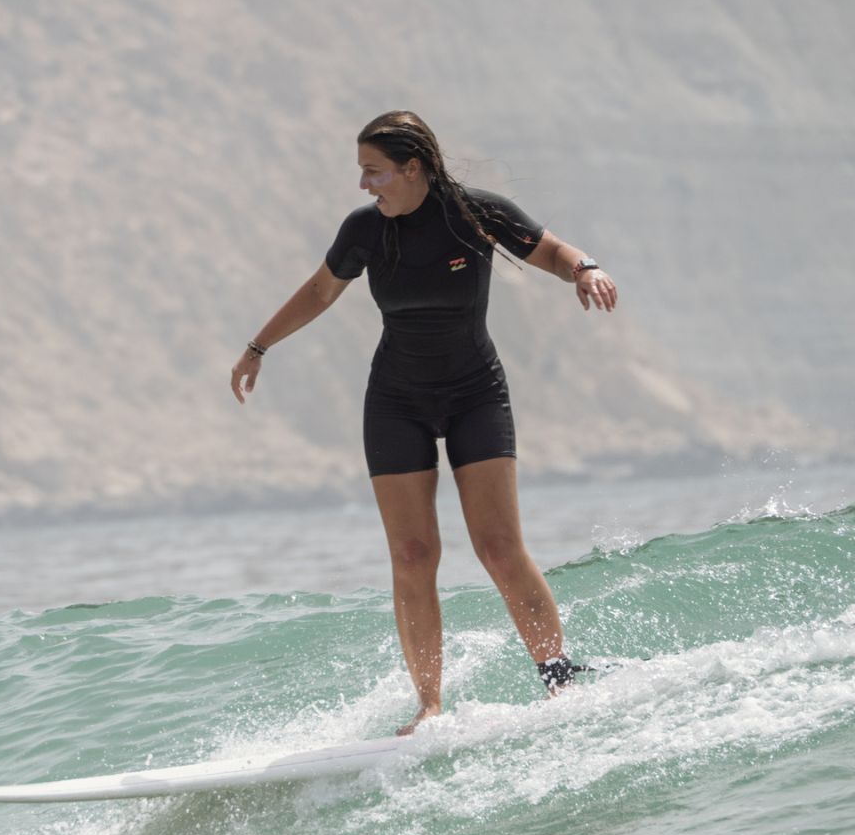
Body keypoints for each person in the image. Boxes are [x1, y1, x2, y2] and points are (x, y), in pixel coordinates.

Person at [231, 111, 617, 734]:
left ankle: (560, 680)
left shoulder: (476, 213)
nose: (364, 184)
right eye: (362, 172)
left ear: (413, 168)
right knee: (412, 555)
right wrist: (257, 348)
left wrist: (585, 268)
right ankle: (430, 705)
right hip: (397, 402)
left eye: (374, 171)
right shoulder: (365, 229)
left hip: (475, 396)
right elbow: (320, 291)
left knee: (498, 548)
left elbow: (550, 250)